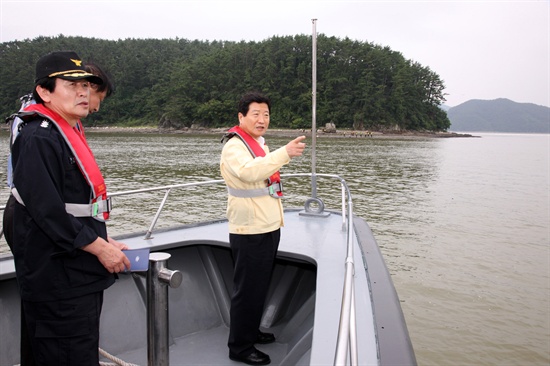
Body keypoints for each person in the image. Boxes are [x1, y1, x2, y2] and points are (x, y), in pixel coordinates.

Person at [9, 51, 130, 366]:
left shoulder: (63, 131)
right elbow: (47, 212)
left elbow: (72, 205)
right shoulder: (39, 138)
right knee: (68, 352)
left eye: (85, 85)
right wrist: (100, 249)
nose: (83, 92)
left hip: (73, 266)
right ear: (45, 92)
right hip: (59, 276)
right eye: (71, 84)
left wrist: (104, 239)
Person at [220, 92, 306, 365]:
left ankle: (251, 331)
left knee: (259, 286)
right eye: (255, 114)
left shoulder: (258, 143)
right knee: (248, 289)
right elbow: (250, 172)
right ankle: (240, 348)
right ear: (241, 117)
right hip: (250, 230)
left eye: (266, 114)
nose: (262, 119)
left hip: (267, 225)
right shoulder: (234, 147)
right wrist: (285, 153)